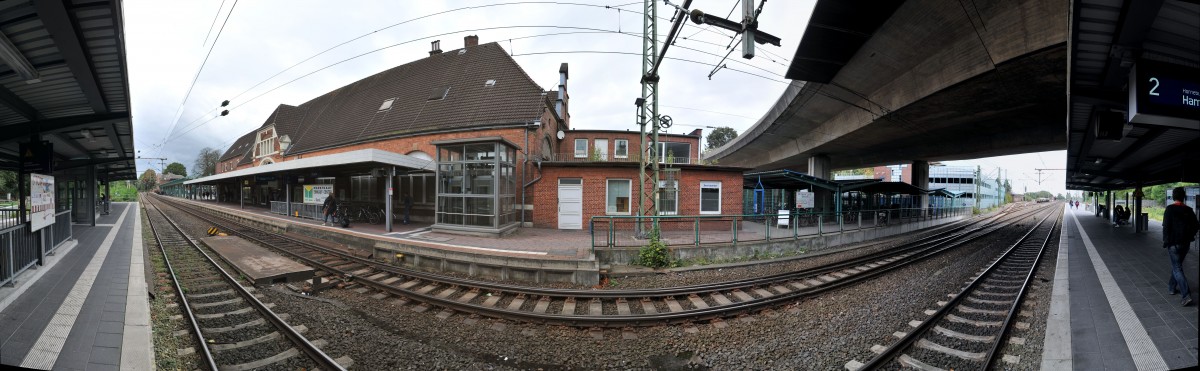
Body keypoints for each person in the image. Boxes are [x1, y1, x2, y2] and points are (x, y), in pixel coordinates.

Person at [1163, 187, 1198, 307]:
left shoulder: (1170, 209)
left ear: (1173, 196)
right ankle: (1172, 287)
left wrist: (1166, 241)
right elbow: (1197, 226)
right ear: (1184, 197)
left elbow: (1166, 226)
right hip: (1185, 244)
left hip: (1174, 244)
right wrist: (1190, 235)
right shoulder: (1188, 210)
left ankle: (1186, 295)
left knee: (1177, 268)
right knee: (1177, 266)